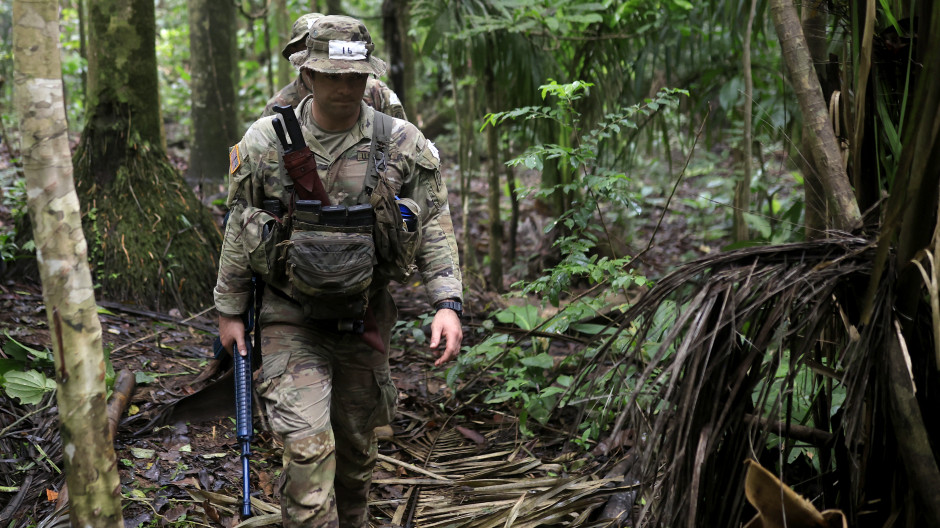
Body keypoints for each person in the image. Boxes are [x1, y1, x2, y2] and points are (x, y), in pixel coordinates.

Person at [215, 14, 463, 527]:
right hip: (290, 316)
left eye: (355, 77)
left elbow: (434, 219)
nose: (345, 87)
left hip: (364, 319)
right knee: (308, 455)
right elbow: (242, 223)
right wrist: (230, 310)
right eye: (332, 75)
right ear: (307, 75)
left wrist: (447, 303)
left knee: (355, 463)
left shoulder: (401, 141)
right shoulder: (266, 141)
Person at [263, 13, 407, 120]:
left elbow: (401, 139)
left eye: (323, 49)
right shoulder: (280, 104)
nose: (345, 89)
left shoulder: (376, 93)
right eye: (305, 47)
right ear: (294, 52)